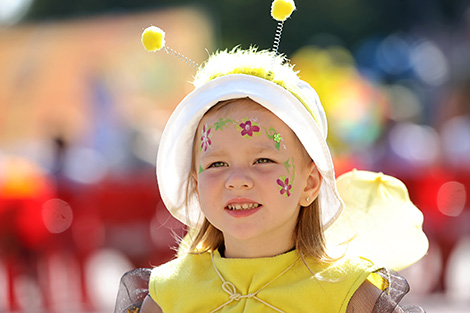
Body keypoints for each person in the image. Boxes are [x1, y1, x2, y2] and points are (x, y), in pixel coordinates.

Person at [114, 47, 427, 313]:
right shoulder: (168, 295)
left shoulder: (347, 292)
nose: (237, 180)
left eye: (263, 160)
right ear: (195, 183)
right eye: (216, 163)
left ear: (310, 183)